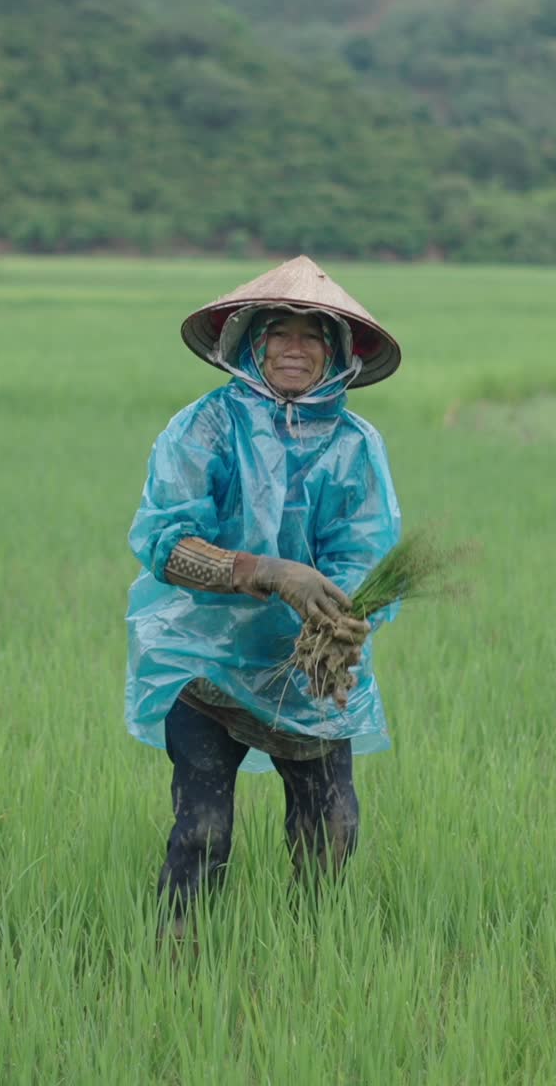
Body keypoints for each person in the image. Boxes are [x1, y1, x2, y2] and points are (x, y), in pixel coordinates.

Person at [125, 255, 402, 921]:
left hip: (307, 669)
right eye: (280, 332)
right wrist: (269, 572)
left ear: (338, 353)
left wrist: (333, 622)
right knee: (203, 830)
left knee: (331, 834)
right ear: (252, 343)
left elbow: (365, 553)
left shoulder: (355, 446)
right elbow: (166, 543)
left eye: (314, 336)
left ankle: (308, 962)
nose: (295, 348)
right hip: (206, 663)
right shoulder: (204, 428)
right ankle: (175, 960)